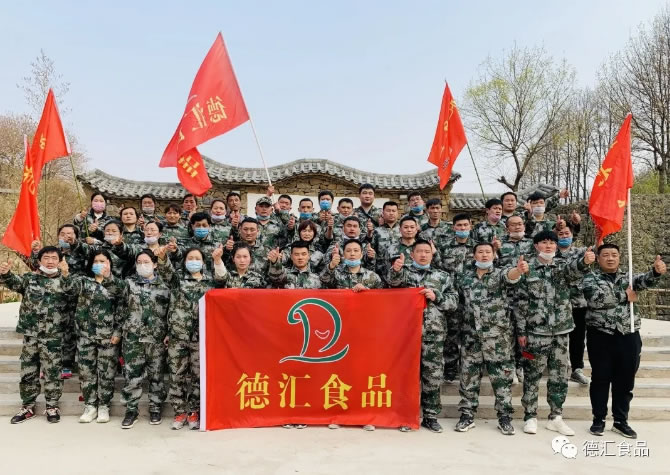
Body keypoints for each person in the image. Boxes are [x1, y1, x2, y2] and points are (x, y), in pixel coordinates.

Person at [582, 245, 667, 439]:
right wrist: (625, 296)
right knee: (601, 379)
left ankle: (620, 421)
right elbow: (595, 299)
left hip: (628, 334)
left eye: (614, 255)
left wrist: (655, 272)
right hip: (601, 334)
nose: (610, 258)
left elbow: (645, 281)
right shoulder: (590, 277)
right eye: (605, 255)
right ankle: (598, 419)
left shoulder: (628, 277)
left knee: (625, 379)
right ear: (598, 258)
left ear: (620, 257)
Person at [516, 231, 595, 436]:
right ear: (536, 246)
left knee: (559, 376)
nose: (549, 246)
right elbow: (520, 303)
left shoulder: (562, 266)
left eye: (552, 242)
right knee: (532, 375)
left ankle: (556, 417)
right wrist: (521, 330)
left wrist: (585, 262)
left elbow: (575, 270)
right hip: (535, 332)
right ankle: (530, 416)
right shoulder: (527, 268)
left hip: (561, 331)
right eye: (544, 242)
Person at [453, 243, 529, 435]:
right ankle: (467, 415)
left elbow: (511, 276)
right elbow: (459, 304)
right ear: (474, 256)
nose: (484, 255)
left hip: (497, 338)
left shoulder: (500, 274)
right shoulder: (465, 278)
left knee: (501, 379)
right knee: (468, 378)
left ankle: (504, 417)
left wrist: (518, 270)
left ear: (494, 255)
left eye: (488, 252)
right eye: (480, 252)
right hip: (471, 337)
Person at [387, 240, 458, 433]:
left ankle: (430, 416)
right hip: (406, 334)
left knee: (432, 376)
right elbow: (391, 285)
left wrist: (437, 297)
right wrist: (396, 270)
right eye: (419, 251)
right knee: (406, 377)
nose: (423, 255)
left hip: (433, 334)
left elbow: (454, 303)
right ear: (412, 254)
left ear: (432, 254)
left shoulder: (442, 276)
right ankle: (404, 416)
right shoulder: (404, 273)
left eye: (427, 251)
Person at [1, 247, 71, 424]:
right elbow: (14, 283)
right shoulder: (29, 279)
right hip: (31, 334)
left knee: (52, 371)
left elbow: (75, 296)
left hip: (53, 336)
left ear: (60, 261)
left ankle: (52, 406)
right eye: (46, 258)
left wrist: (66, 275)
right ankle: (27, 406)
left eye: (54, 258)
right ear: (39, 261)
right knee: (28, 372)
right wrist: (6, 273)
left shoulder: (66, 282)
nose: (50, 261)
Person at [320, 239, 383, 430]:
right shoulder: (337, 273)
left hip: (364, 332)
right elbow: (323, 283)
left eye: (356, 250)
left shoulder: (372, 277)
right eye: (349, 251)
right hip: (340, 331)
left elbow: (383, 302)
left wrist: (368, 293)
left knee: (362, 373)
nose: (353, 254)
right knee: (339, 374)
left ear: (362, 254)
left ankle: (366, 416)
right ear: (343, 254)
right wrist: (332, 266)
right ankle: (338, 414)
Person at [156, 247, 220, 430]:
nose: (193, 261)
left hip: (201, 338)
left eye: (197, 258)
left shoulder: (211, 282)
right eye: (190, 258)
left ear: (203, 262)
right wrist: (162, 257)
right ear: (184, 262)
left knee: (199, 376)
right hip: (178, 337)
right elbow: (166, 272)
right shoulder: (178, 280)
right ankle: (179, 411)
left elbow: (223, 284)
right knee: (177, 376)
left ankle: (194, 411)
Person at [61, 250, 126, 424]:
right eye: (96, 261)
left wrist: (118, 332)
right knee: (86, 372)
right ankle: (90, 406)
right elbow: (69, 288)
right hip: (85, 335)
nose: (99, 264)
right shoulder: (84, 282)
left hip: (108, 337)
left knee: (106, 372)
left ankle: (104, 406)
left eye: (103, 261)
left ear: (110, 263)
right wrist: (65, 274)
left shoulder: (118, 285)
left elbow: (122, 310)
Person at [118, 250, 171, 429]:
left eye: (146, 262)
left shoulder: (165, 285)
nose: (142, 265)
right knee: (132, 375)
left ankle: (155, 407)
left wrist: (168, 332)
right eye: (139, 262)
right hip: (133, 338)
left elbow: (170, 312)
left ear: (155, 264)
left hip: (156, 338)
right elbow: (120, 308)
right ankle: (131, 410)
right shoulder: (128, 283)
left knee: (156, 375)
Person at [434, 213, 475, 381]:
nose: (462, 228)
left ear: (470, 226)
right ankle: (450, 368)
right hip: (451, 296)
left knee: (470, 333)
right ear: (453, 227)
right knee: (451, 333)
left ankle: (469, 368)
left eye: (465, 225)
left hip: (471, 297)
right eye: (459, 225)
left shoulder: (477, 247)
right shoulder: (444, 246)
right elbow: (438, 268)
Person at [554, 223, 590, 386]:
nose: (564, 236)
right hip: (557, 303)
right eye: (560, 234)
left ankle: (577, 368)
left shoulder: (581, 252)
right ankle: (558, 367)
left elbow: (598, 251)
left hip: (578, 302)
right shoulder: (549, 253)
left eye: (567, 233)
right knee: (558, 337)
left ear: (572, 235)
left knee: (578, 338)